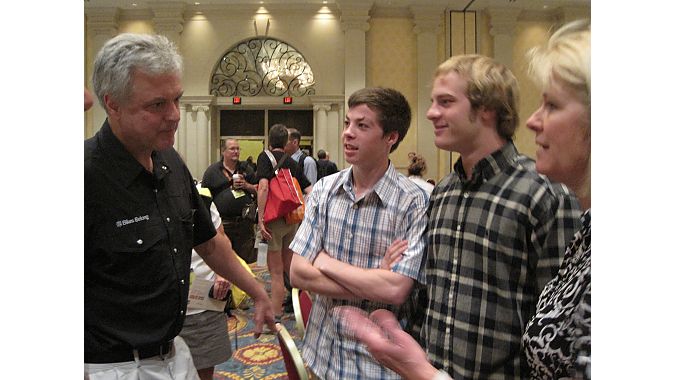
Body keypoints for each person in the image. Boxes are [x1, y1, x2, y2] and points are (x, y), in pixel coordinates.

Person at [338, 20, 591, 380]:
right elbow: (434, 292)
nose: (430, 113)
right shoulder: (443, 192)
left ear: (486, 109)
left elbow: (559, 330)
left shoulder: (544, 192)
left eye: (445, 102)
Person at [85, 33, 275, 380]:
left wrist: (256, 290)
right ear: (113, 104)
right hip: (112, 366)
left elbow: (208, 242)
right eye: (157, 104)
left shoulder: (169, 159)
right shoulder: (84, 176)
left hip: (174, 352)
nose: (175, 115)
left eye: (177, 99)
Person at [288, 87, 429, 379]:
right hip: (322, 353)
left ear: (391, 137)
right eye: (347, 123)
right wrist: (375, 274)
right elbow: (298, 273)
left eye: (362, 126)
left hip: (378, 363)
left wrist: (324, 263)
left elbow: (396, 291)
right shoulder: (324, 191)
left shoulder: (414, 202)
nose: (348, 133)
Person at [256, 123, 312, 319]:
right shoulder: (292, 162)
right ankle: (307, 305)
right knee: (291, 269)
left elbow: (263, 188)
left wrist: (261, 219)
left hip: (274, 220)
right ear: (286, 142)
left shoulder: (265, 158)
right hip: (291, 220)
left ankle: (276, 313)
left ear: (269, 140)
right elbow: (309, 189)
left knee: (276, 272)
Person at [179, 187, 232, 380]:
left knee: (204, 368)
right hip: (161, 309)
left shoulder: (200, 197)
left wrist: (222, 274)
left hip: (203, 298)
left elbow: (221, 240)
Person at [201, 138, 258, 264]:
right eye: (232, 149)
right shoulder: (212, 171)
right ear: (223, 151)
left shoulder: (246, 169)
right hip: (223, 225)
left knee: (246, 263)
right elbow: (204, 198)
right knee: (224, 262)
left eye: (238, 149)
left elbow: (259, 190)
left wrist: (246, 185)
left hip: (245, 224)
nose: (236, 151)